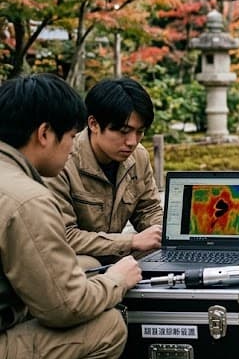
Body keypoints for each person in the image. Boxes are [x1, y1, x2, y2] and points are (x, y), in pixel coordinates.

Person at [0, 73, 142, 359]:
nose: (71, 149)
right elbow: (66, 308)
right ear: (44, 133)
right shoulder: (28, 198)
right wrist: (116, 280)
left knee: (89, 266)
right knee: (109, 328)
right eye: (70, 137)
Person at [46, 77, 162, 263]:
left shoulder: (138, 156)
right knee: (88, 265)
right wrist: (130, 241)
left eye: (140, 132)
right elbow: (63, 236)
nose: (132, 141)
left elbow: (148, 209)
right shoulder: (62, 161)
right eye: (124, 131)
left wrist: (166, 234)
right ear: (93, 124)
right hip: (74, 258)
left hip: (118, 254)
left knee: (167, 255)